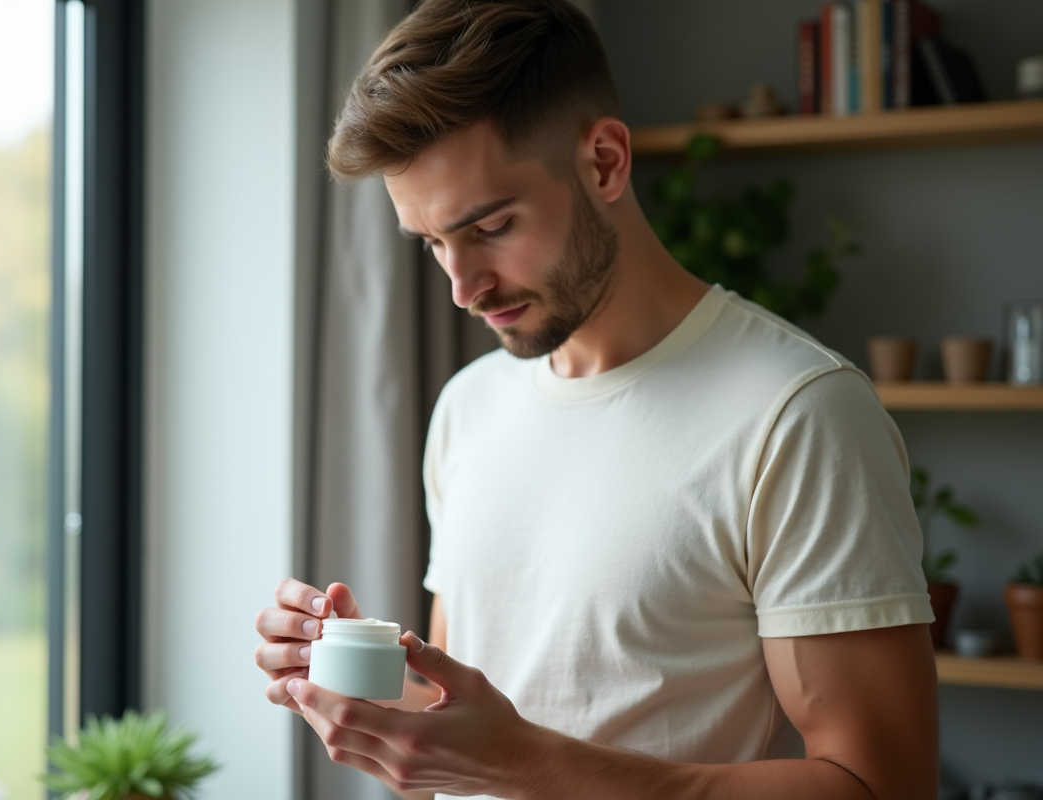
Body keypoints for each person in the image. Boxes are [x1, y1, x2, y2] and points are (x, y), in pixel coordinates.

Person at [253, 1, 938, 798]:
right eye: (433, 243)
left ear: (606, 162)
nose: (462, 288)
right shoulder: (468, 408)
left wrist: (529, 764)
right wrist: (346, 685)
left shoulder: (798, 414)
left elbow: (881, 784)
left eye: (491, 226)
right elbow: (468, 732)